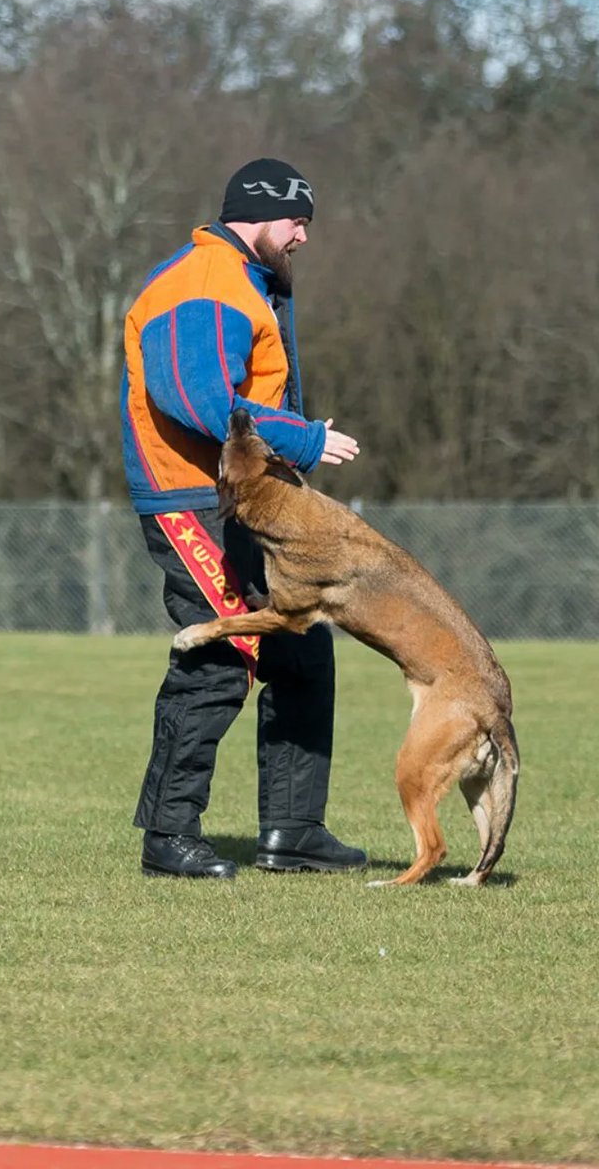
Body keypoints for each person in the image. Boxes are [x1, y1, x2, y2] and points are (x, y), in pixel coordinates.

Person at [121, 157, 366, 880]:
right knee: (218, 660)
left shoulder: (246, 284)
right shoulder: (203, 282)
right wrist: (302, 439)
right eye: (298, 222)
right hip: (192, 501)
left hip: (245, 503)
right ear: (257, 213)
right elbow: (196, 399)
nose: (302, 238)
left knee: (299, 649)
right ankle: (168, 837)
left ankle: (292, 830)